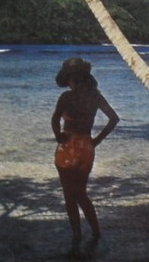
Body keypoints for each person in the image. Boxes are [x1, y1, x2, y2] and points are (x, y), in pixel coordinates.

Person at [52, 57, 119, 248]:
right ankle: (96, 232)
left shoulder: (66, 97)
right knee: (81, 193)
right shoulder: (95, 96)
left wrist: (58, 136)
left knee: (69, 195)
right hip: (86, 148)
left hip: (67, 147)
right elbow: (114, 119)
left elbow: (55, 119)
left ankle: (77, 237)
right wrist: (96, 141)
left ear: (70, 78)